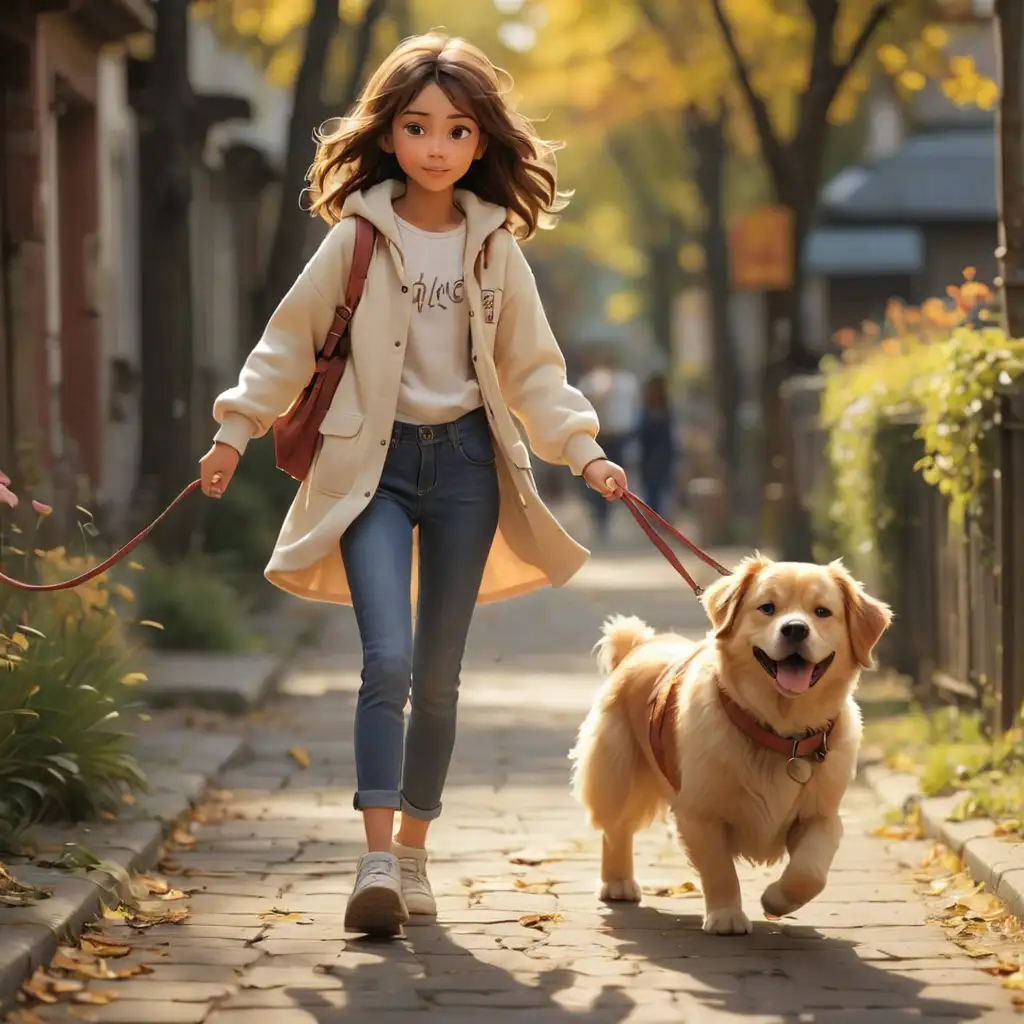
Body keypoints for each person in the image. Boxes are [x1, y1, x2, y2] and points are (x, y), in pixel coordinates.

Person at [197, 33, 628, 938]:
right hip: (373, 472)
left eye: (458, 130)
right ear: (388, 134)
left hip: (470, 467)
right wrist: (235, 430)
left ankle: (420, 857)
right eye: (418, 126)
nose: (437, 146)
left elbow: (533, 371)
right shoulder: (356, 236)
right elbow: (287, 341)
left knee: (438, 676)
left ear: (481, 144)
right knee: (385, 661)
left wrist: (584, 451)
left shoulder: (493, 248)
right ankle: (376, 858)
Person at [576, 354, 640, 542]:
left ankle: (606, 514)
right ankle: (598, 514)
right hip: (597, 437)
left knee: (614, 480)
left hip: (618, 437)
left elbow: (632, 410)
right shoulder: (589, 382)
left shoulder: (627, 383)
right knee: (593, 480)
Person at [637, 373, 679, 520]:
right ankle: (653, 520)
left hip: (664, 457)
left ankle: (661, 520)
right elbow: (641, 434)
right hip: (648, 458)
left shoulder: (667, 410)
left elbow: (671, 436)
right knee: (651, 491)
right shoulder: (645, 411)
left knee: (664, 490)